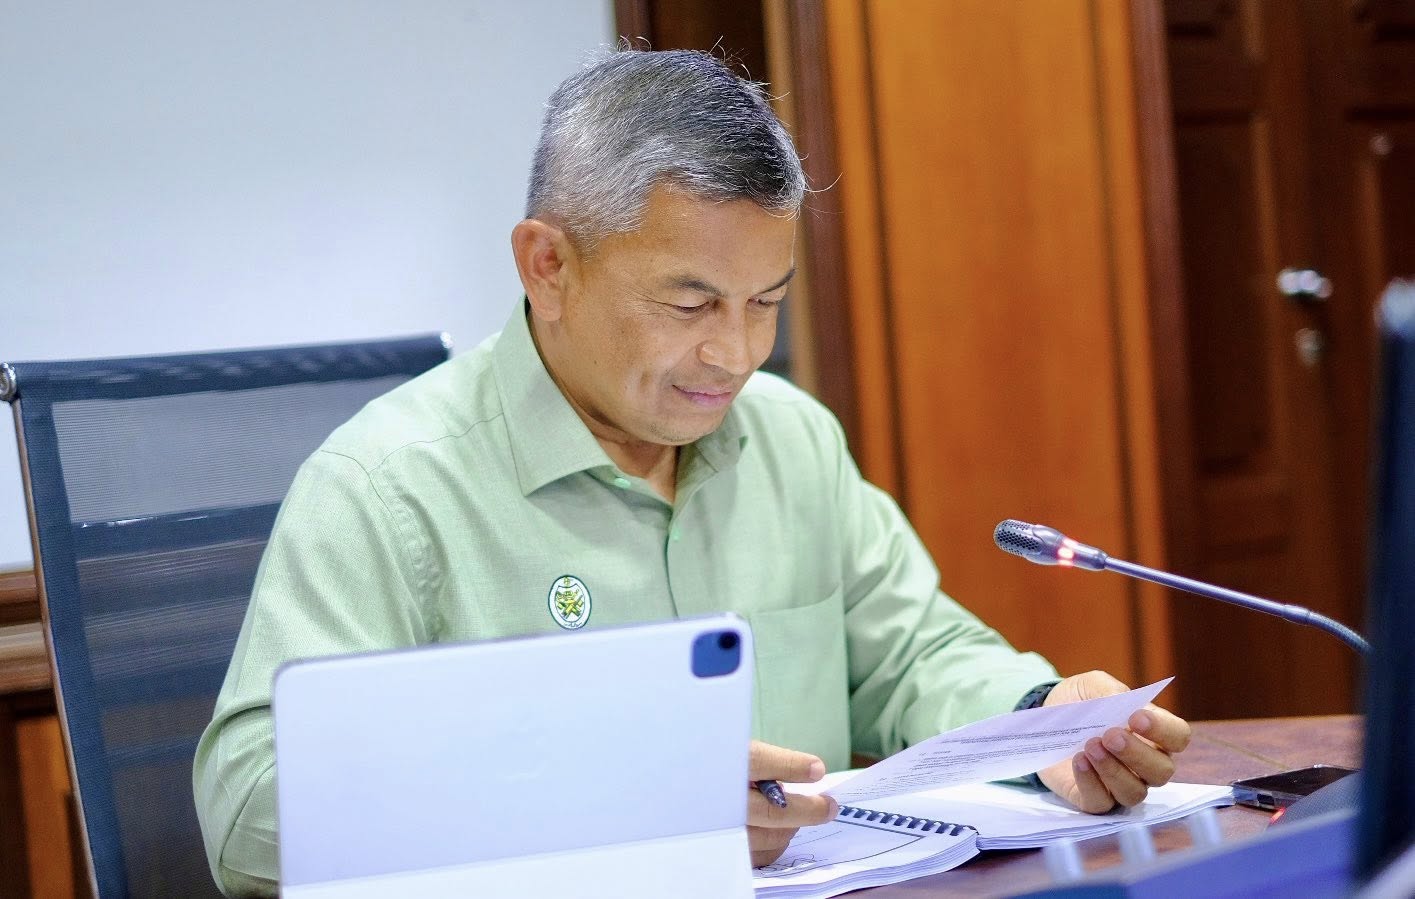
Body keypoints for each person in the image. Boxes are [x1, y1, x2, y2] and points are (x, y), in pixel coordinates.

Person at [193, 48, 1190, 896]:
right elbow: (248, 810)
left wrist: (1043, 722)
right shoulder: (388, 485)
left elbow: (912, 656)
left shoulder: (791, 438)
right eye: (689, 304)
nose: (736, 353)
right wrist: (619, 800)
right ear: (547, 266)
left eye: (765, 302)